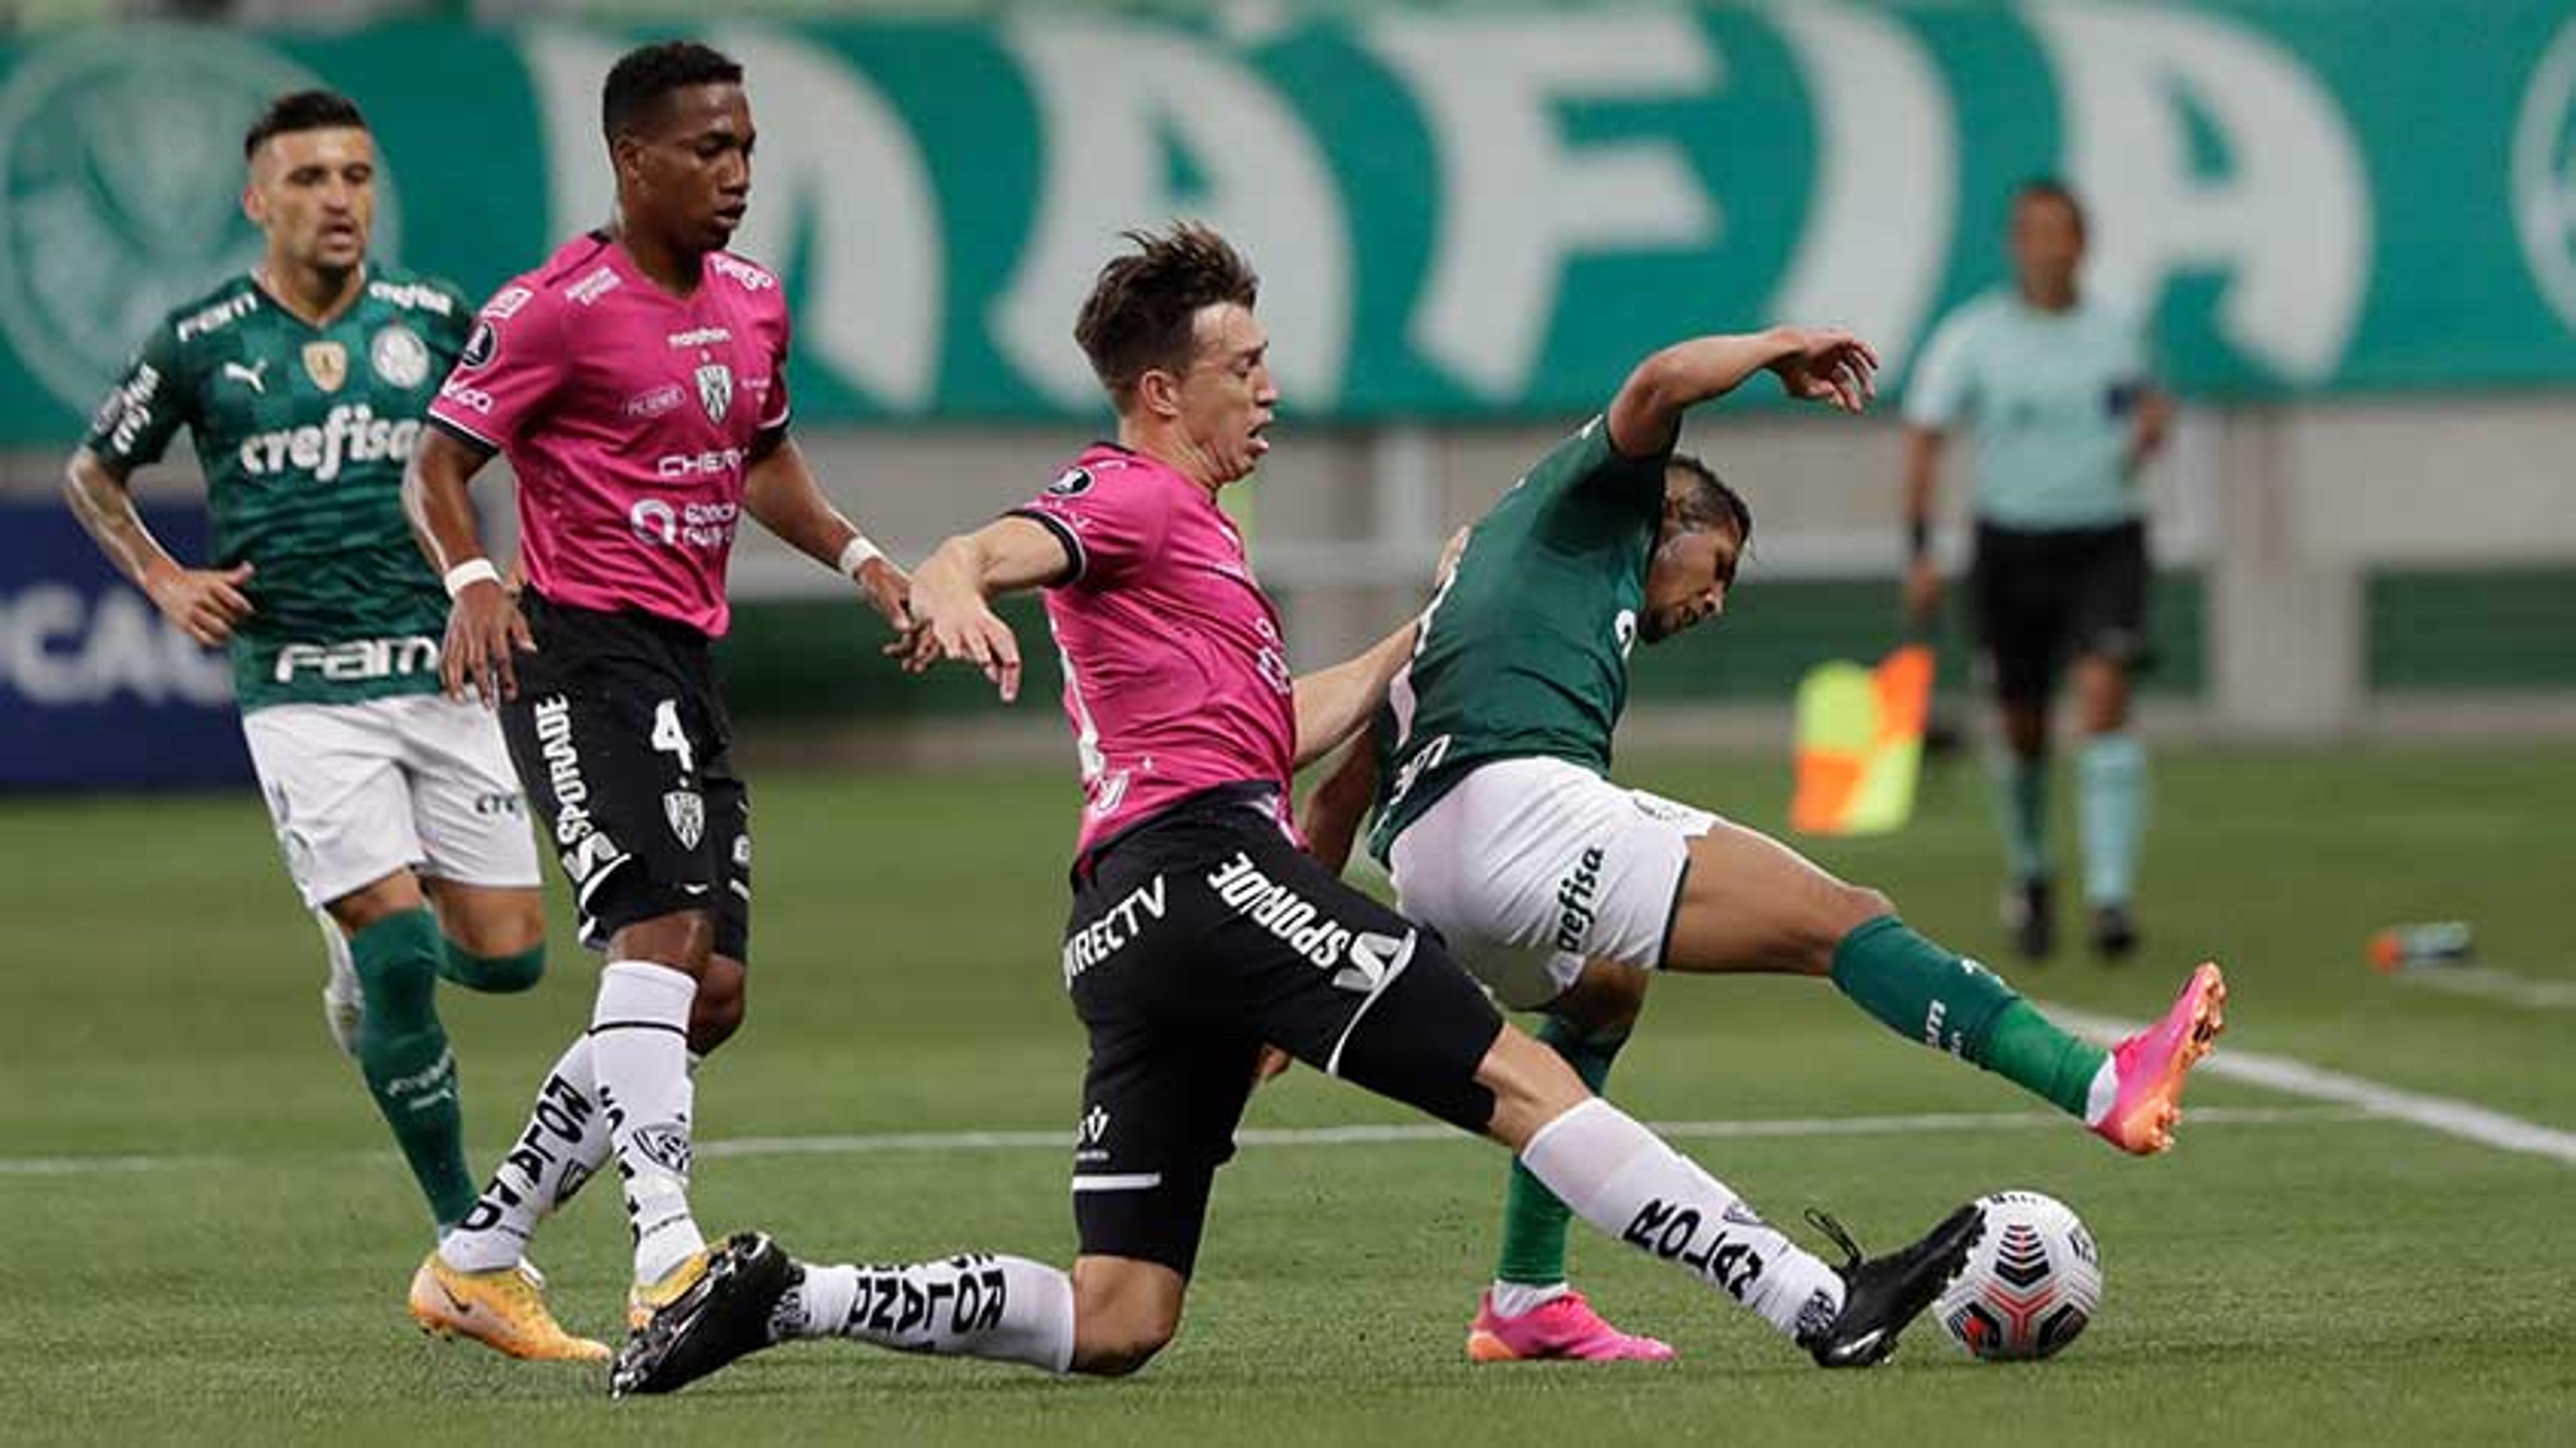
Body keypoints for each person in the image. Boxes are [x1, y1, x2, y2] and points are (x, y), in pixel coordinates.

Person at [609, 223, 1986, 1399]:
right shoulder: (1134, 489)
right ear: (1163, 391)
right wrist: (958, 576)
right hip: (1209, 871)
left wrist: (1422, 630)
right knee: (1528, 1074)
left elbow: (1276, 729)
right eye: (1244, 368)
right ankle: (1819, 1298)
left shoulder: (1201, 538)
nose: (1269, 388)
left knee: (1121, 1316)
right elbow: (1005, 542)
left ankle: (794, 1294)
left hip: (1124, 927)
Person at [1290, 325, 2225, 1364]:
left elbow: (1334, 804)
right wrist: (1780, 348)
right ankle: (2102, 1084)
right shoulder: (1592, 499)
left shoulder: (1467, 604)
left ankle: (1526, 1298)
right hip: (1519, 810)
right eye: (1719, 563)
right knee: (1845, 919)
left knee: (1606, 991)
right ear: (1668, 516)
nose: (1717, 597)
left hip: (1431, 865)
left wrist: (1282, 967)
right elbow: (1656, 379)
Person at [399, 40, 912, 1361]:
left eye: (746, 146)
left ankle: (478, 1255)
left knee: (714, 989)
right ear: (633, 159)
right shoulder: (554, 306)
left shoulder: (750, 299)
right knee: (659, 931)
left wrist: (859, 556)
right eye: (708, 149)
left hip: (686, 662)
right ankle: (666, 1253)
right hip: (576, 653)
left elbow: (764, 455)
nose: (737, 173)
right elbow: (438, 462)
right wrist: (468, 576)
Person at [64, 89, 551, 1258]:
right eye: (310, 179)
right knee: (398, 957)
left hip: (441, 669)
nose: (339, 198)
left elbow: (541, 439)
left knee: (513, 957)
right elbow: (95, 472)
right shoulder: (201, 339)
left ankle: (359, 945)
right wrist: (165, 580)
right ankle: (469, 1236)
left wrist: (513, 567)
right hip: (299, 681)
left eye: (355, 176)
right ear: (257, 201)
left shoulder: (435, 315)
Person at [1901, 178, 2174, 962]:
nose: (2048, 246)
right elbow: (1925, 436)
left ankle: (2112, 897)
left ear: (2082, 244)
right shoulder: (1974, 338)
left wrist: (2153, 430)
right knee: (2022, 724)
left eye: (2062, 232)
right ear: (2016, 244)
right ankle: (2031, 873)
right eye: (2033, 232)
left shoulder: (2121, 331)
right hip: (2010, 548)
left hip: (2106, 540)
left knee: (2104, 694)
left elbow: (2149, 407)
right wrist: (1920, 549)